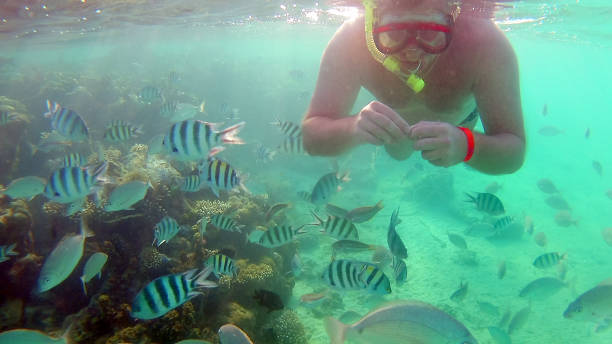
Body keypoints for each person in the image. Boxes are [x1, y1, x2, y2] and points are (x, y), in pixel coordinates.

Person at [302, 0, 525, 175]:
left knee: (460, 160)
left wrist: (468, 145)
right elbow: (311, 138)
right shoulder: (351, 40)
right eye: (395, 33)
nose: (411, 51)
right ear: (373, 23)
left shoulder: (485, 44)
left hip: (462, 123)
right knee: (399, 154)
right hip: (395, 135)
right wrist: (352, 129)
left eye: (429, 32)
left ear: (452, 17)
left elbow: (514, 151)